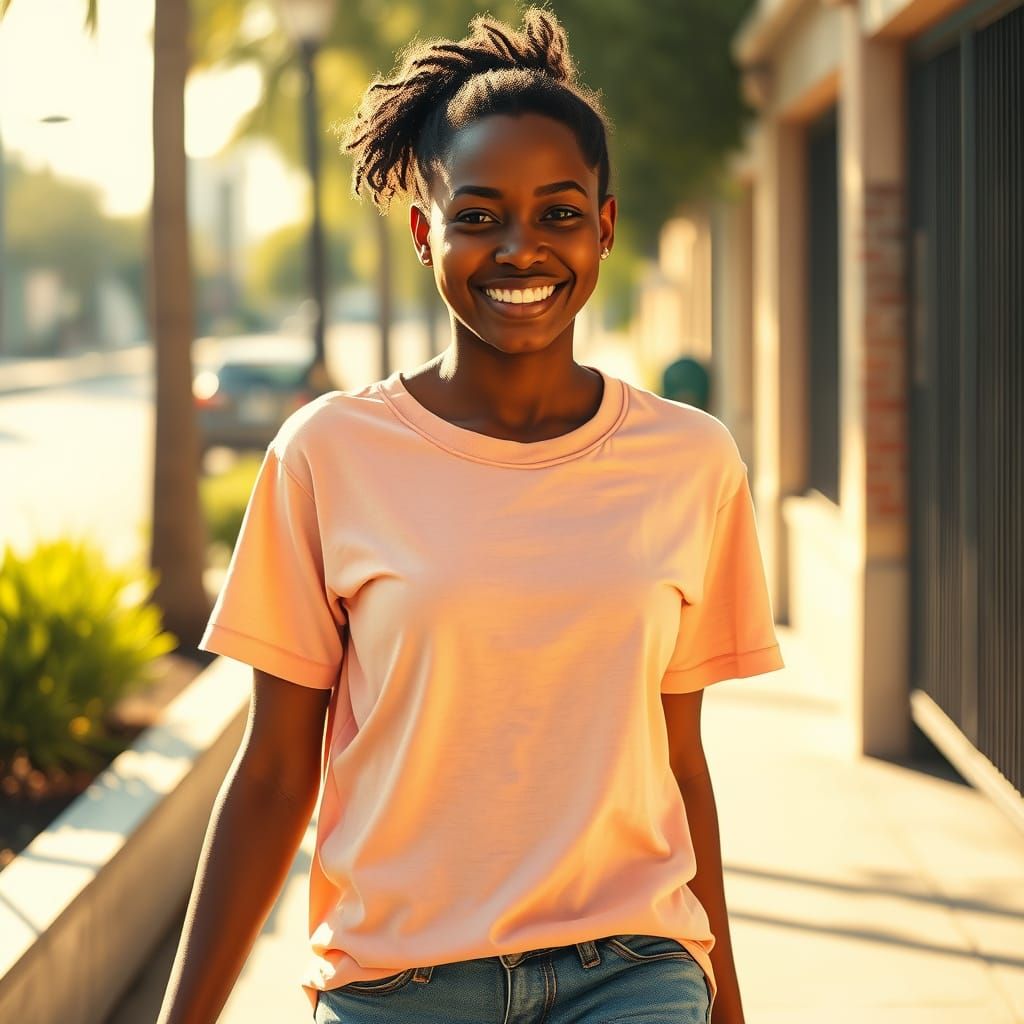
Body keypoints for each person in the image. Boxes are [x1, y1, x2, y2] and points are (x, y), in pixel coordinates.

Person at [157, 9, 784, 1024]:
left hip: (632, 964)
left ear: (605, 226)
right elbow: (274, 773)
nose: (520, 247)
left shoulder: (691, 461)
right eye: (479, 214)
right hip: (395, 981)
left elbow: (677, 762)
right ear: (424, 232)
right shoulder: (327, 456)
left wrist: (727, 1000)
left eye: (558, 213)